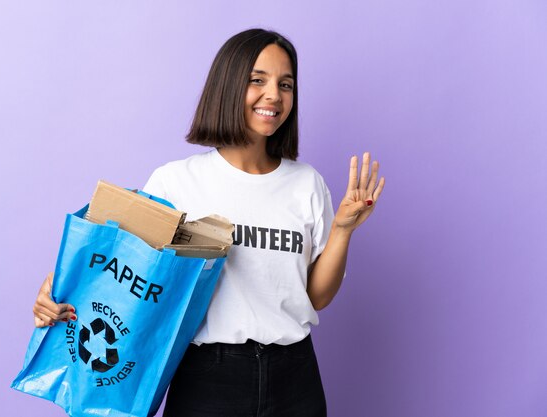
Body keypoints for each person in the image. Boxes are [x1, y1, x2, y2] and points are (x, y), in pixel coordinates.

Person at [32, 28, 385, 417]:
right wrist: (61, 288)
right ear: (228, 86)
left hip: (295, 376)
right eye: (257, 80)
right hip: (208, 378)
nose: (274, 95)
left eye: (286, 84)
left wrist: (342, 231)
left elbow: (315, 297)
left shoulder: (307, 184)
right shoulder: (177, 182)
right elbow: (120, 269)